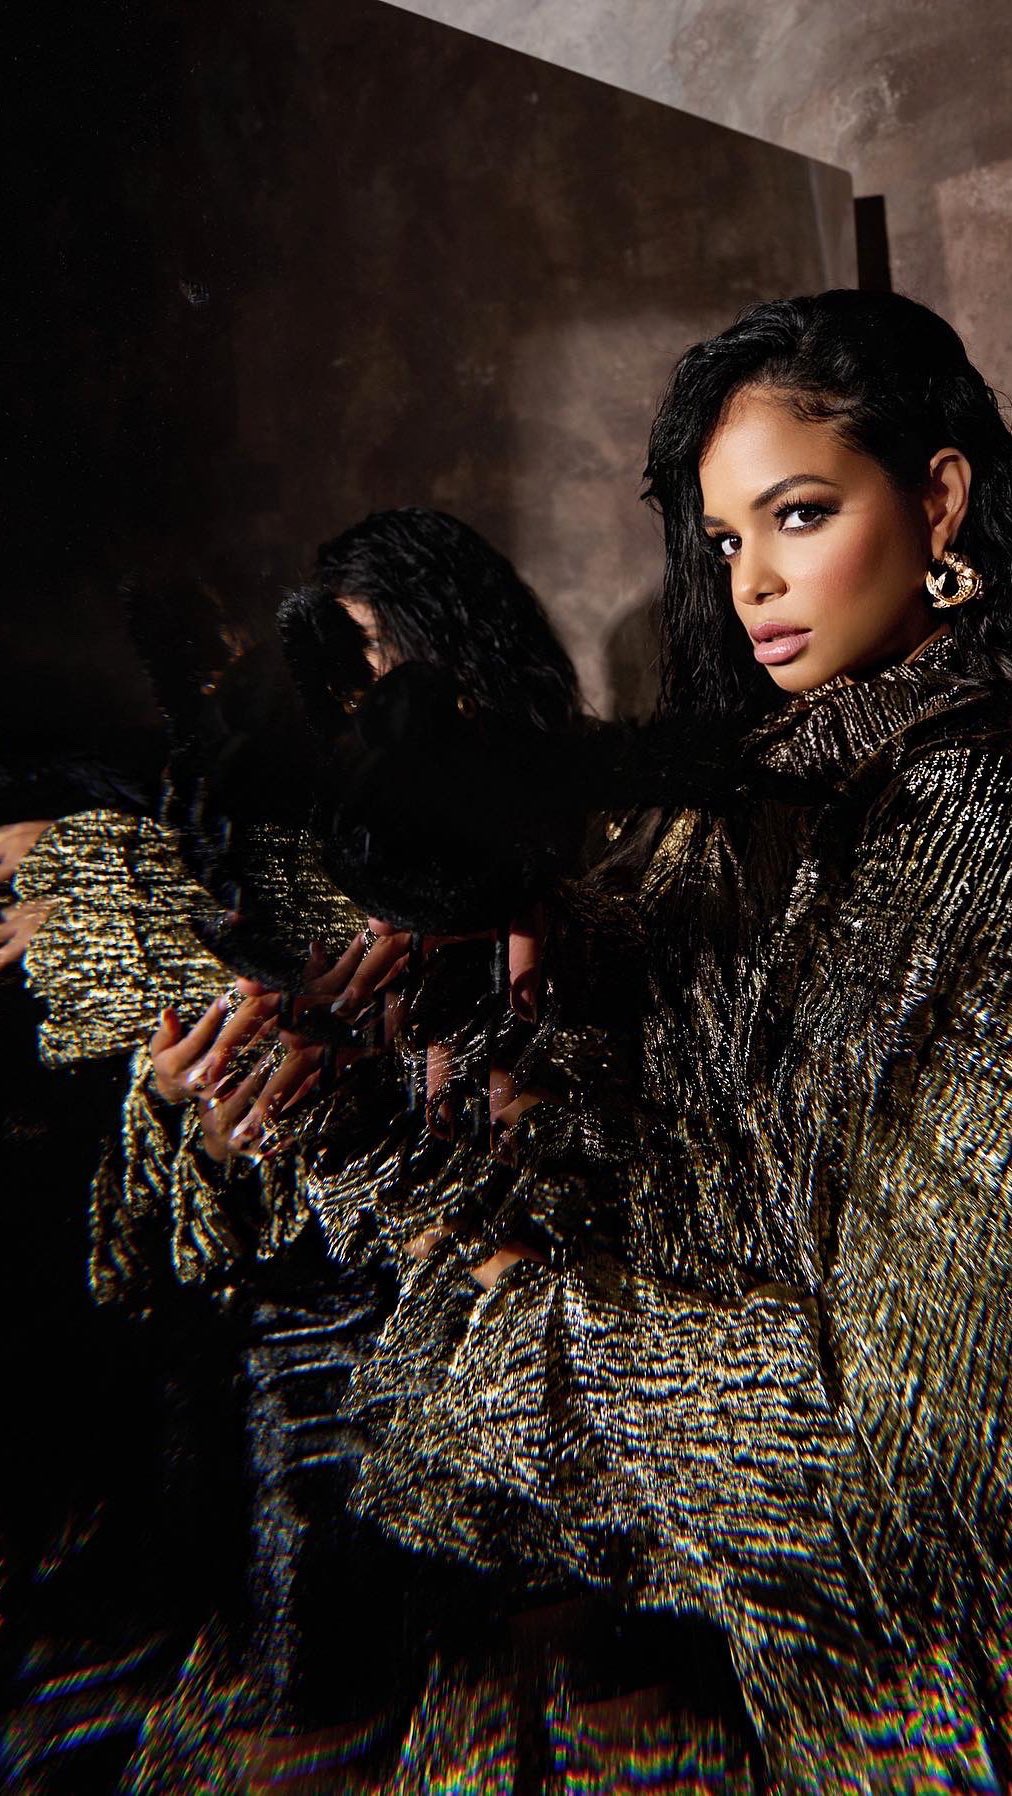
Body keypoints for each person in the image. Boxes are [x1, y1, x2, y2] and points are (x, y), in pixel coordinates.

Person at [268, 291, 1011, 1793]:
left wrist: (517, 1304)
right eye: (726, 540)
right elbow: (671, 1177)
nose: (754, 583)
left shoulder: (970, 817)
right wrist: (387, 1109)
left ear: (938, 500)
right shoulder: (762, 800)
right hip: (825, 1668)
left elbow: (894, 1440)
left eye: (799, 514)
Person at [7, 509, 581, 1792]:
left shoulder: (566, 822)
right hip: (328, 1258)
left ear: (460, 644)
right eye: (331, 657)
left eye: (376, 648)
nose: (354, 687)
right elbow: (211, 1134)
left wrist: (466, 1058)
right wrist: (208, 1104)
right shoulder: (282, 838)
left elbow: (543, 1081)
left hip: (508, 1255)